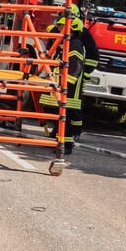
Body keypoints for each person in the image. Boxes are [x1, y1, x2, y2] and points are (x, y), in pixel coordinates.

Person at [40, 15, 86, 154]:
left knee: (66, 118)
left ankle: (65, 146)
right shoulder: (68, 42)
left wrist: (65, 85)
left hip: (70, 90)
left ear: (71, 27)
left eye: (61, 26)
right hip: (63, 87)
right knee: (60, 115)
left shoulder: (75, 44)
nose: (58, 28)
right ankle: (57, 140)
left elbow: (75, 67)